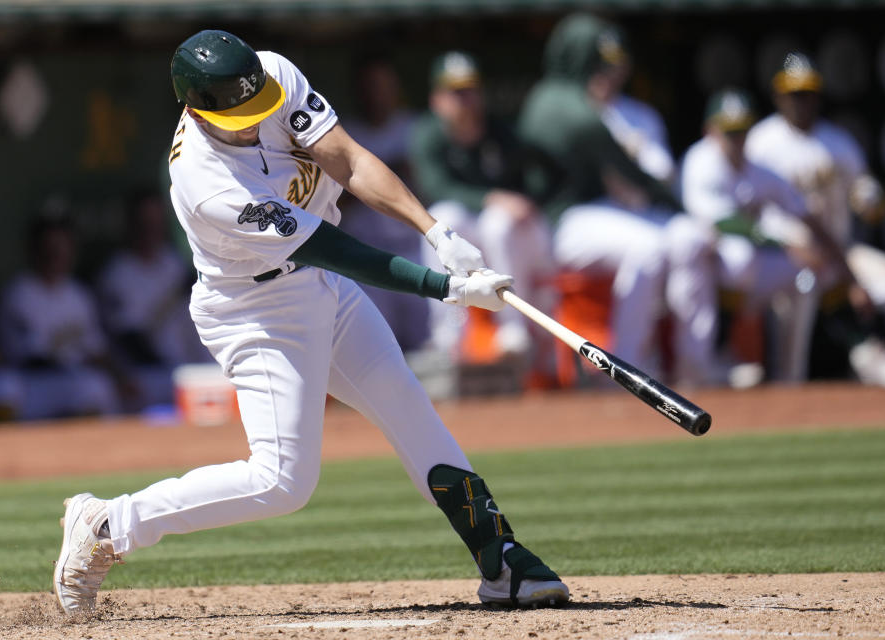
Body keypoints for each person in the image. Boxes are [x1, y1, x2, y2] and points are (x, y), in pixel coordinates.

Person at [53, 30, 569, 615]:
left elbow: (346, 158)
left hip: (323, 286)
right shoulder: (207, 183)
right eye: (240, 115)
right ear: (196, 109)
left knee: (405, 402)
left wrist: (437, 234)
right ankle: (108, 524)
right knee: (282, 482)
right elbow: (333, 247)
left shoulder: (268, 72)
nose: (256, 120)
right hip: (257, 312)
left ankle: (500, 558)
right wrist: (446, 287)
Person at [517, 13, 717, 386]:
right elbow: (630, 172)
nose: (605, 72)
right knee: (649, 249)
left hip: (605, 215)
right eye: (598, 62)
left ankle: (697, 367)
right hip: (563, 221)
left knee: (690, 240)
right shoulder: (563, 104)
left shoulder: (581, 102)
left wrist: (687, 218)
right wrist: (677, 207)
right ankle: (626, 370)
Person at [745, 52, 885, 385]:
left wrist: (871, 199)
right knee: (798, 300)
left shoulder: (837, 142)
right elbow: (747, 210)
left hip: (840, 252)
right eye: (794, 94)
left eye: (807, 94)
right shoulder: (761, 142)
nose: (801, 102)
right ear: (778, 96)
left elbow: (866, 192)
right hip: (789, 259)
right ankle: (787, 390)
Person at [680, 89, 879, 383]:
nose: (737, 139)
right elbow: (721, 223)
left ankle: (789, 373)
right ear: (710, 131)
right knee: (735, 255)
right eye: (729, 131)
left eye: (742, 130)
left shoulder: (758, 170)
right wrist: (787, 242)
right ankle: (711, 356)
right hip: (700, 264)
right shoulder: (701, 160)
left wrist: (848, 275)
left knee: (806, 272)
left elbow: (807, 218)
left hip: (744, 270)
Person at [410, 51, 553, 358]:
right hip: (468, 234)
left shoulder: (500, 131)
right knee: (440, 219)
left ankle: (514, 329)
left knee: (497, 223)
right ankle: (448, 334)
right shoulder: (429, 134)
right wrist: (491, 197)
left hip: (513, 237)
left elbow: (536, 181)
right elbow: (435, 188)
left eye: (469, 90)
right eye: (455, 92)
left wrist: (524, 201)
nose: (464, 99)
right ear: (437, 98)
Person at [337, 55, 429, 352]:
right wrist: (373, 181)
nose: (378, 94)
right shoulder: (343, 133)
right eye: (371, 87)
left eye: (384, 86)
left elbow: (430, 189)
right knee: (378, 349)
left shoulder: (415, 128)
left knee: (431, 345)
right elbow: (334, 202)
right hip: (368, 256)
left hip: (414, 249)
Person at [0, 215, 125, 419]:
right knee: (5, 387)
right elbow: (34, 358)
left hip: (67, 380)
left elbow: (96, 351)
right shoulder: (18, 293)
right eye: (48, 247)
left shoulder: (79, 295)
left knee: (96, 387)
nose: (54, 254)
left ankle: (91, 448)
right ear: (34, 250)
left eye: (61, 247)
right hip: (28, 382)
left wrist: (119, 376)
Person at [96, 189, 206, 411]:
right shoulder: (117, 274)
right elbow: (132, 343)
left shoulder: (174, 263)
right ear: (131, 225)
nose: (150, 229)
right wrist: (175, 370)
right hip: (146, 373)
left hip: (187, 367)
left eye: (155, 221)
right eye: (143, 222)